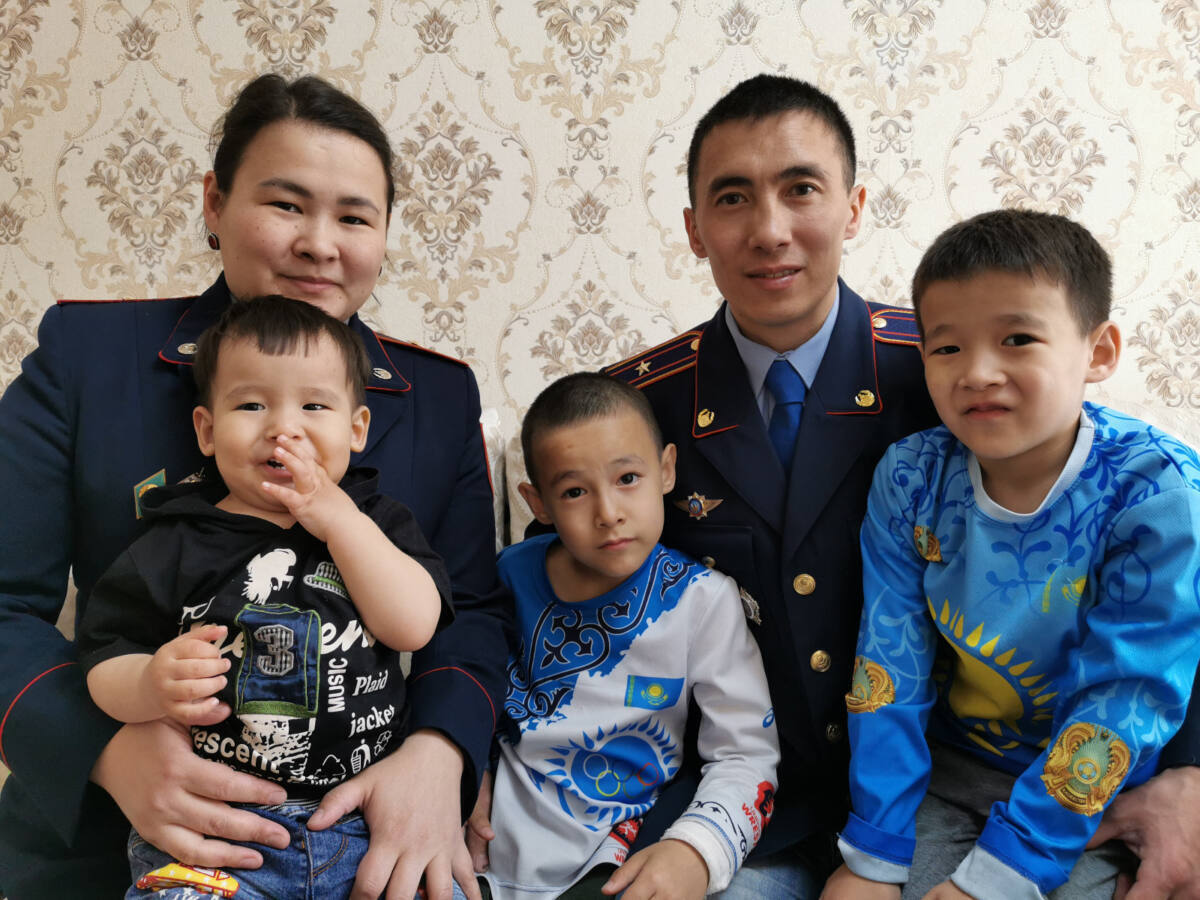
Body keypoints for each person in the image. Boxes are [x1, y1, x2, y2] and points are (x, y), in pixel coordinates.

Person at [0, 73, 507, 900]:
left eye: (355, 217)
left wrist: (440, 753)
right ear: (215, 202)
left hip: (364, 835)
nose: (319, 244)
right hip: (113, 835)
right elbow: (5, 604)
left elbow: (472, 610)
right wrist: (107, 752)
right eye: (285, 204)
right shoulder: (88, 357)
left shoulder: (437, 396)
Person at [603, 74, 937, 896]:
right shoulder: (633, 409)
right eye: (733, 198)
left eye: (801, 190)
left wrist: (1186, 768)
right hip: (737, 810)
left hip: (938, 799)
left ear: (854, 207)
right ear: (694, 229)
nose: (770, 231)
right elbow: (565, 603)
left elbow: (1115, 534)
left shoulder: (945, 372)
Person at [824, 209, 1200, 900]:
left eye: (1017, 339)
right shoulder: (909, 477)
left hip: (1092, 794)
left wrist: (1003, 873)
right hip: (945, 775)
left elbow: (1124, 697)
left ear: (1099, 352)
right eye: (946, 347)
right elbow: (889, 665)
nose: (977, 373)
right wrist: (873, 853)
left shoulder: (1158, 493)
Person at [77, 295, 453, 898]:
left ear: (356, 429)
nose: (284, 428)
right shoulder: (177, 540)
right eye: (251, 405)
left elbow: (413, 626)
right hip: (215, 828)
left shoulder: (378, 523)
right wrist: (148, 682)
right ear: (207, 430)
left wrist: (339, 519)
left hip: (362, 821)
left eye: (314, 406)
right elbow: (102, 657)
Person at [463, 373, 779, 899]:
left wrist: (697, 849)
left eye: (627, 478)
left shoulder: (702, 600)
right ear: (538, 503)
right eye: (574, 492)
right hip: (482, 860)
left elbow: (745, 753)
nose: (608, 513)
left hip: (620, 865)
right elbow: (464, 689)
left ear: (666, 470)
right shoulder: (507, 575)